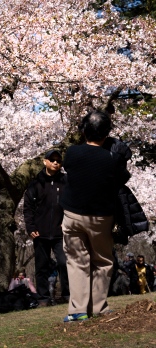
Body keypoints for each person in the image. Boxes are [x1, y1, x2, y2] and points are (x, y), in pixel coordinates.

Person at [60, 110, 131, 322]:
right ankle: (99, 307)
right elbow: (122, 179)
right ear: (107, 133)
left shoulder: (71, 153)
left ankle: (78, 310)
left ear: (83, 131)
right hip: (101, 217)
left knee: (76, 261)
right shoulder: (112, 158)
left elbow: (72, 170)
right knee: (102, 260)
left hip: (72, 214)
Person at [23, 149, 70, 306]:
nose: (56, 162)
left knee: (64, 262)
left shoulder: (65, 181)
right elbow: (28, 207)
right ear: (45, 162)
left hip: (60, 232)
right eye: (52, 160)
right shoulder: (36, 183)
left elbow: (72, 203)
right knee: (41, 266)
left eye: (58, 160)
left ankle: (67, 294)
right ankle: (43, 297)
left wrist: (68, 221)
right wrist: (30, 228)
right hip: (40, 232)